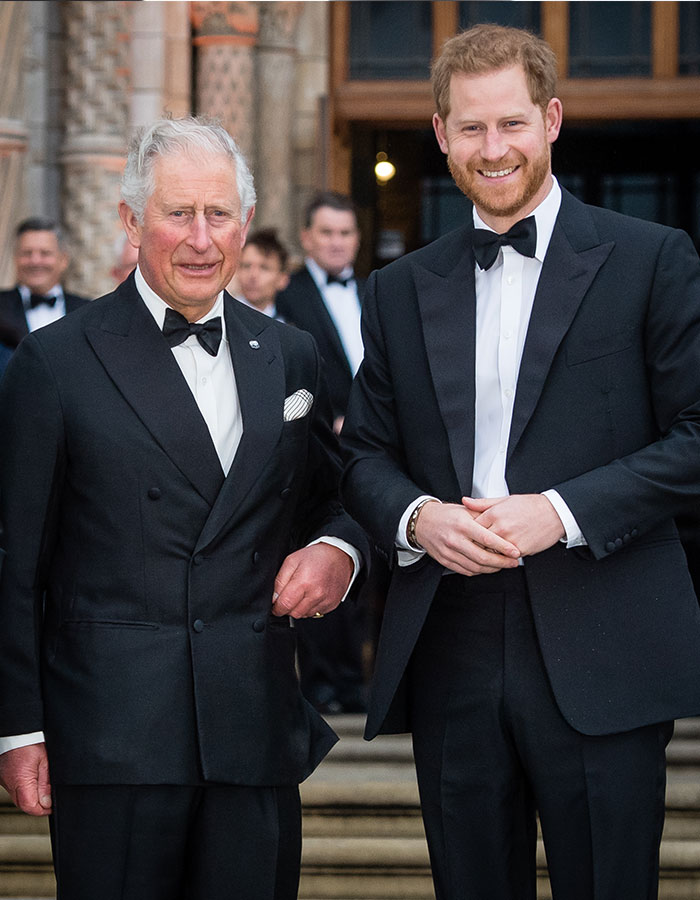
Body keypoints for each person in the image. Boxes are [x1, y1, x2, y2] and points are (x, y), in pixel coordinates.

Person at [340, 24, 700, 900]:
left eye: (511, 124)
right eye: (471, 127)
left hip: (605, 634)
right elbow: (363, 456)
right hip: (450, 640)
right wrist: (419, 519)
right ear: (441, 134)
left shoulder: (653, 259)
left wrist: (562, 512)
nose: (492, 148)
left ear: (551, 120)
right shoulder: (395, 290)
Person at [0, 116, 369, 900]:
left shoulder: (290, 354)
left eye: (219, 214)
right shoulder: (54, 361)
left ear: (245, 221)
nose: (202, 240)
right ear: (132, 220)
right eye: (178, 214)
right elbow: (15, 561)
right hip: (113, 738)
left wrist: (339, 551)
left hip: (253, 729)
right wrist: (19, 725)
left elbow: (335, 499)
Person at [276, 191, 363, 435]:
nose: (337, 243)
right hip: (317, 436)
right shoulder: (284, 294)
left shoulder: (374, 291)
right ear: (306, 237)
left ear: (357, 238)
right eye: (327, 233)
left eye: (345, 233)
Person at [0, 217, 90, 351]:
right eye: (27, 253)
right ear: (15, 258)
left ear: (63, 260)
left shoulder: (86, 311)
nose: (35, 261)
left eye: (45, 253)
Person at [233, 227, 290, 319]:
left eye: (264, 268)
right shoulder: (219, 319)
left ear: (283, 279)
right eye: (246, 266)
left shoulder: (291, 323)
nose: (253, 275)